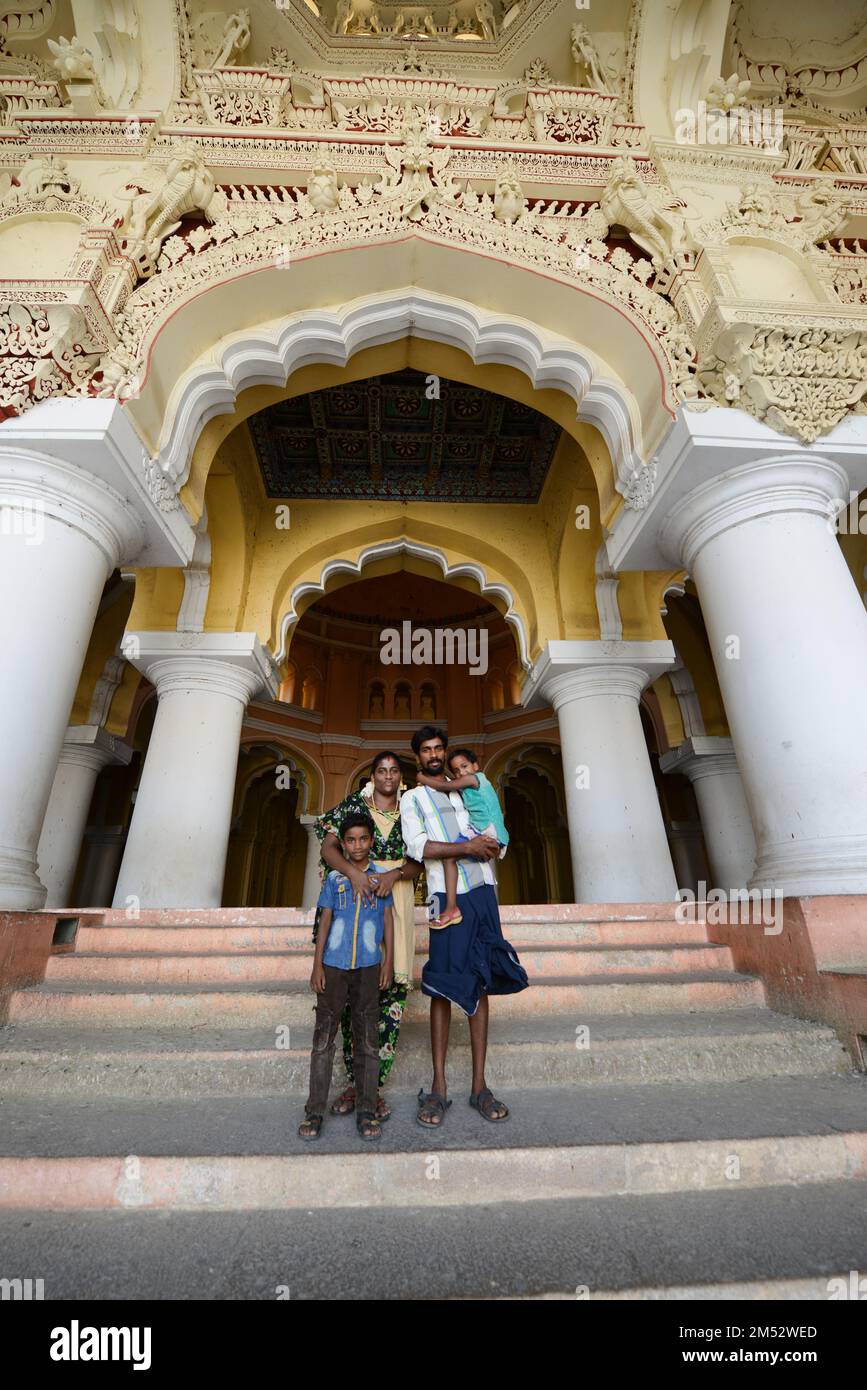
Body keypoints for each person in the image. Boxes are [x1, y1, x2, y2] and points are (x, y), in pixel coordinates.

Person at [400, 726, 529, 1129]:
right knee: (441, 984)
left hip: (484, 891)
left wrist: (484, 846)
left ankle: (480, 1087)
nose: (434, 754)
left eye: (440, 748)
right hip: (443, 895)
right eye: (427, 750)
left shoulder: (462, 789)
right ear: (418, 757)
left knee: (483, 979)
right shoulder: (413, 798)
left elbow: (494, 835)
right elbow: (420, 848)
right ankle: (438, 1088)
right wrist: (468, 848)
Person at [313, 752, 422, 1121]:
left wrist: (394, 875)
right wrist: (354, 874)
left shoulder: (413, 807)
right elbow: (328, 845)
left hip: (395, 903)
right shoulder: (355, 804)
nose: (388, 776)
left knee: (389, 992)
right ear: (372, 775)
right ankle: (354, 1084)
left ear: (401, 776)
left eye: (394, 771)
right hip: (353, 900)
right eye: (381, 770)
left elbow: (421, 859)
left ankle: (372, 1088)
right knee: (350, 999)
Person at [299, 812, 394, 1142]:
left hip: (368, 967)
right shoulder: (334, 879)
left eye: (363, 839)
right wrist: (317, 964)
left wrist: (388, 961)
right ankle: (314, 1111)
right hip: (334, 966)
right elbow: (324, 922)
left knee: (368, 1040)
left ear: (371, 841)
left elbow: (388, 921)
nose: (356, 845)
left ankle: (367, 1110)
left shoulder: (380, 879)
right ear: (343, 842)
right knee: (323, 1040)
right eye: (350, 840)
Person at [416, 746, 509, 928]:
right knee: (451, 856)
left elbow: (445, 786)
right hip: (483, 830)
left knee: (449, 856)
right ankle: (452, 908)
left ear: (476, 765)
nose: (461, 773)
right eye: (457, 770)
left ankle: (451, 909)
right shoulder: (468, 783)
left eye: (464, 766)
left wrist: (421, 778)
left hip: (485, 831)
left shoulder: (474, 779)